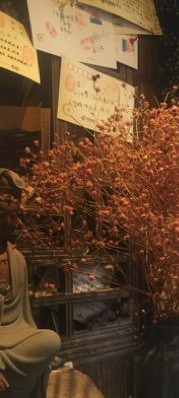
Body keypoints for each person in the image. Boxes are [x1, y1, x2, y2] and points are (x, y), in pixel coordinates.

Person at [0, 168, 61, 397]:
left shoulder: (17, 259)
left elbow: (24, 318)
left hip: (15, 338)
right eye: (1, 215)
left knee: (50, 340)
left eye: (14, 215)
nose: (8, 222)